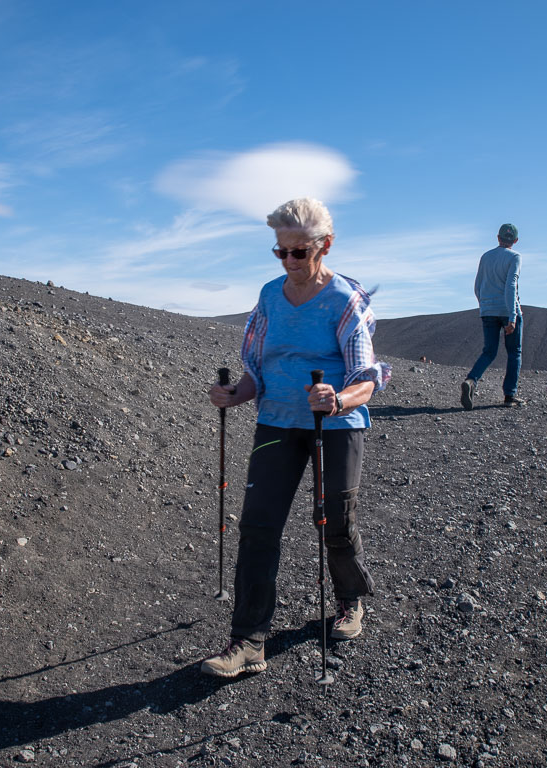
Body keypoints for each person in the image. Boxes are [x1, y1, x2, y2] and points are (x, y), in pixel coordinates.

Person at [201, 198, 391, 678]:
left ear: (324, 247)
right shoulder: (269, 296)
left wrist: (340, 399)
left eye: (299, 252)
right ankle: (248, 640)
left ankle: (349, 601)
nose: (289, 262)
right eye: (280, 252)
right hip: (277, 422)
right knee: (258, 526)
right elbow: (257, 370)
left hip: (334, 424)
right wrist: (234, 395)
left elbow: (368, 377)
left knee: (334, 521)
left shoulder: (345, 299)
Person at [461, 223, 524, 410]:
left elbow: (477, 285)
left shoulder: (486, 257)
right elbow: (511, 285)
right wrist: (512, 316)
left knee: (489, 351)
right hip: (507, 310)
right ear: (515, 240)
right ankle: (509, 395)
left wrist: (484, 305)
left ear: (498, 238)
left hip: (488, 310)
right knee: (514, 353)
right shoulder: (515, 257)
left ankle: (471, 380)